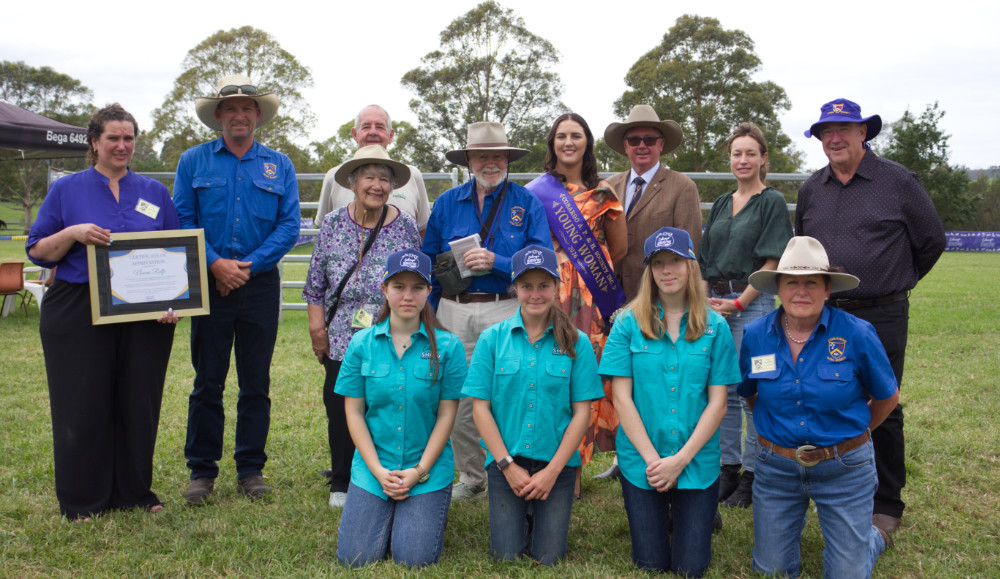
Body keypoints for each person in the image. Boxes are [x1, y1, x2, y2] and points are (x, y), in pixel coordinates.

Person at [796, 98, 945, 532]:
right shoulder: (812, 188)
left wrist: (897, 278)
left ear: (864, 133)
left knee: (883, 401)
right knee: (828, 396)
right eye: (826, 132)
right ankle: (834, 490)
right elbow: (803, 247)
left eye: (844, 129)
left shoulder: (897, 181)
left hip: (882, 312)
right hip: (828, 312)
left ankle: (886, 504)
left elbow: (932, 240)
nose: (835, 138)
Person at [26, 103, 180, 520]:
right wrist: (73, 233)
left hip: (143, 314)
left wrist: (173, 304)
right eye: (113, 137)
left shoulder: (154, 192)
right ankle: (82, 499)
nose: (122, 145)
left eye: (128, 138)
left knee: (139, 400)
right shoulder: (67, 190)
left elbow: (175, 254)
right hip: (77, 305)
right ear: (94, 143)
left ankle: (134, 491)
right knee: (82, 401)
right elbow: (38, 251)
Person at [739, 236, 900, 577]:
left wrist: (852, 438)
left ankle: (872, 538)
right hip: (776, 470)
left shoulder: (857, 334)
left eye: (811, 283)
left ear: (827, 290)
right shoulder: (755, 335)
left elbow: (887, 397)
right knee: (772, 572)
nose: (801, 292)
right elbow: (752, 394)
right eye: (791, 283)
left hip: (844, 470)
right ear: (777, 289)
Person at [173, 74, 301, 503]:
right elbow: (182, 218)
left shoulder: (279, 165)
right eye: (231, 109)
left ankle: (250, 468)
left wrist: (248, 266)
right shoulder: (193, 161)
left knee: (255, 381)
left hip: (259, 286)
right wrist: (215, 264)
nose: (240, 115)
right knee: (207, 380)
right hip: (209, 286)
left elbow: (288, 225)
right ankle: (201, 472)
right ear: (219, 116)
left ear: (258, 115)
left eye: (247, 108)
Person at [422, 122, 553, 501]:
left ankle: (515, 470)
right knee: (459, 395)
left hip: (507, 307)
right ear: (469, 160)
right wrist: (432, 309)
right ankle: (473, 477)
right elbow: (430, 259)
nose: (490, 163)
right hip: (454, 310)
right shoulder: (447, 202)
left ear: (508, 160)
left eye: (498, 156)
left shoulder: (526, 203)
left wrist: (498, 261)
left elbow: (541, 261)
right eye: (482, 156)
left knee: (513, 390)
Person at [599, 227, 738, 577]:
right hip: (642, 461)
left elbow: (718, 403)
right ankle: (675, 510)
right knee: (651, 564)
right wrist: (655, 462)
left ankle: (695, 512)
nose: (667, 270)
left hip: (695, 460)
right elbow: (622, 398)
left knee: (690, 568)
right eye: (658, 263)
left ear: (691, 264)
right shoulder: (627, 324)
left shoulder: (716, 326)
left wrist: (678, 462)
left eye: (675, 260)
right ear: (649, 271)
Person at [464, 245, 603, 565]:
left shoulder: (576, 342)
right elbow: (480, 409)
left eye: (544, 285)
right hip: (506, 463)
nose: (536, 294)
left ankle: (537, 507)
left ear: (557, 287)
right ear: (514, 287)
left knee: (548, 557)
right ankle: (522, 510)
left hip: (556, 465)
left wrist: (553, 472)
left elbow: (582, 412)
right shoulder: (492, 339)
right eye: (527, 286)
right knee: (506, 556)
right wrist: (507, 466)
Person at [303, 146, 421, 508]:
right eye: (369, 177)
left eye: (384, 178)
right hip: (341, 336)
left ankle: (383, 471)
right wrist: (317, 330)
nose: (376, 185)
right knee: (340, 406)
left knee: (386, 402)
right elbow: (315, 284)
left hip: (391, 332)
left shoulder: (405, 226)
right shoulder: (335, 223)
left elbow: (415, 282)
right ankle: (341, 480)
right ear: (353, 184)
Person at [334, 250, 466, 568]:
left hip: (426, 469)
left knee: (414, 559)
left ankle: (418, 511)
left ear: (428, 291)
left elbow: (447, 415)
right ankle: (389, 510)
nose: (408, 295)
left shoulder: (448, 347)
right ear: (384, 289)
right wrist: (378, 472)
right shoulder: (361, 344)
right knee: (356, 558)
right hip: (373, 466)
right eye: (399, 286)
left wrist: (418, 472)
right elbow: (353, 413)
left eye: (417, 287)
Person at [528, 112, 627, 496]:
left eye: (577, 136)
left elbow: (618, 248)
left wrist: (584, 268)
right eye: (561, 136)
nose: (568, 142)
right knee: (552, 372)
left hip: (591, 297)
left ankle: (577, 470)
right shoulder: (537, 191)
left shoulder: (604, 193)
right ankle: (555, 464)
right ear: (552, 143)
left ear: (587, 142)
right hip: (549, 294)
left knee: (585, 377)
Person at [700, 122, 793, 508]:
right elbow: (705, 259)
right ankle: (728, 467)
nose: (743, 159)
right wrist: (706, 302)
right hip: (715, 305)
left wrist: (739, 303)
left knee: (754, 389)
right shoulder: (722, 202)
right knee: (723, 388)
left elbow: (773, 259)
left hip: (752, 304)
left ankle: (754, 475)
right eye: (737, 153)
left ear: (763, 158)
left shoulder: (770, 201)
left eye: (750, 153)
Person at [604, 104, 703, 301]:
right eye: (634, 140)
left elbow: (689, 251)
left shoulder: (683, 187)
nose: (642, 145)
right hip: (611, 296)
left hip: (659, 299)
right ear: (625, 146)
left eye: (649, 139)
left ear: (661, 144)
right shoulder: (608, 186)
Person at [314, 105, 430, 234]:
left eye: (380, 127)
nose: (373, 132)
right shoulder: (334, 176)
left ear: (390, 135)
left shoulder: (412, 176)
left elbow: (422, 230)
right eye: (366, 126)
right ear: (355, 134)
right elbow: (325, 231)